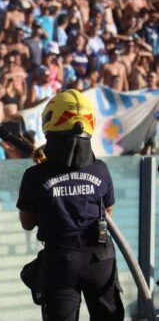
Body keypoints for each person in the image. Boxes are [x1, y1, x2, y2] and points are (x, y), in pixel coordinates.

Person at [17, 89, 124, 320]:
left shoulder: (34, 175)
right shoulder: (101, 169)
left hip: (61, 262)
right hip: (101, 258)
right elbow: (107, 212)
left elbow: (27, 223)